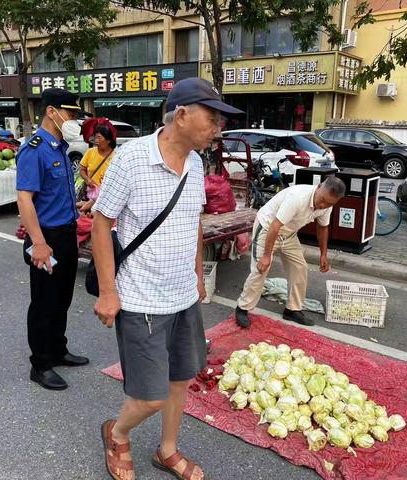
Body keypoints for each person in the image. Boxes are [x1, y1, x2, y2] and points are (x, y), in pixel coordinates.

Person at [91, 78, 243, 480]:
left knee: (180, 380)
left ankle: (167, 450)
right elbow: (101, 223)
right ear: (182, 115)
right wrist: (108, 292)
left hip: (182, 297)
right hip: (142, 298)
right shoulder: (132, 158)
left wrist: (196, 274)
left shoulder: (195, 163)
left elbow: (192, 220)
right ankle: (118, 432)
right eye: (213, 119)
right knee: (150, 396)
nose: (218, 128)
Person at [16, 88, 89, 391]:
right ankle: (41, 364)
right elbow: (24, 198)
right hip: (46, 238)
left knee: (62, 299)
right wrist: (39, 242)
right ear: (52, 112)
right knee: (44, 302)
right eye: (71, 113)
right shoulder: (35, 149)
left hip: (67, 233)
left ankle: (58, 350)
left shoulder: (59, 146)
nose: (74, 120)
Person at [235, 177, 346, 328]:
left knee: (299, 268)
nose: (323, 205)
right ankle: (243, 307)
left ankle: (292, 309)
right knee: (260, 269)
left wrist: (323, 254)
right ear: (319, 187)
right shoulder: (297, 198)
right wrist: (267, 256)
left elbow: (323, 227)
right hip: (268, 229)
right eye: (322, 200)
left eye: (329, 203)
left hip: (289, 233)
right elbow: (275, 225)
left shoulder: (327, 206)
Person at [78, 118, 117, 215]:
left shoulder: (116, 156)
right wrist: (88, 179)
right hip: (90, 193)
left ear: (108, 140)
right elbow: (82, 170)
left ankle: (84, 206)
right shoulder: (90, 152)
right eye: (95, 137)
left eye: (99, 137)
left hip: (107, 197)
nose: (96, 140)